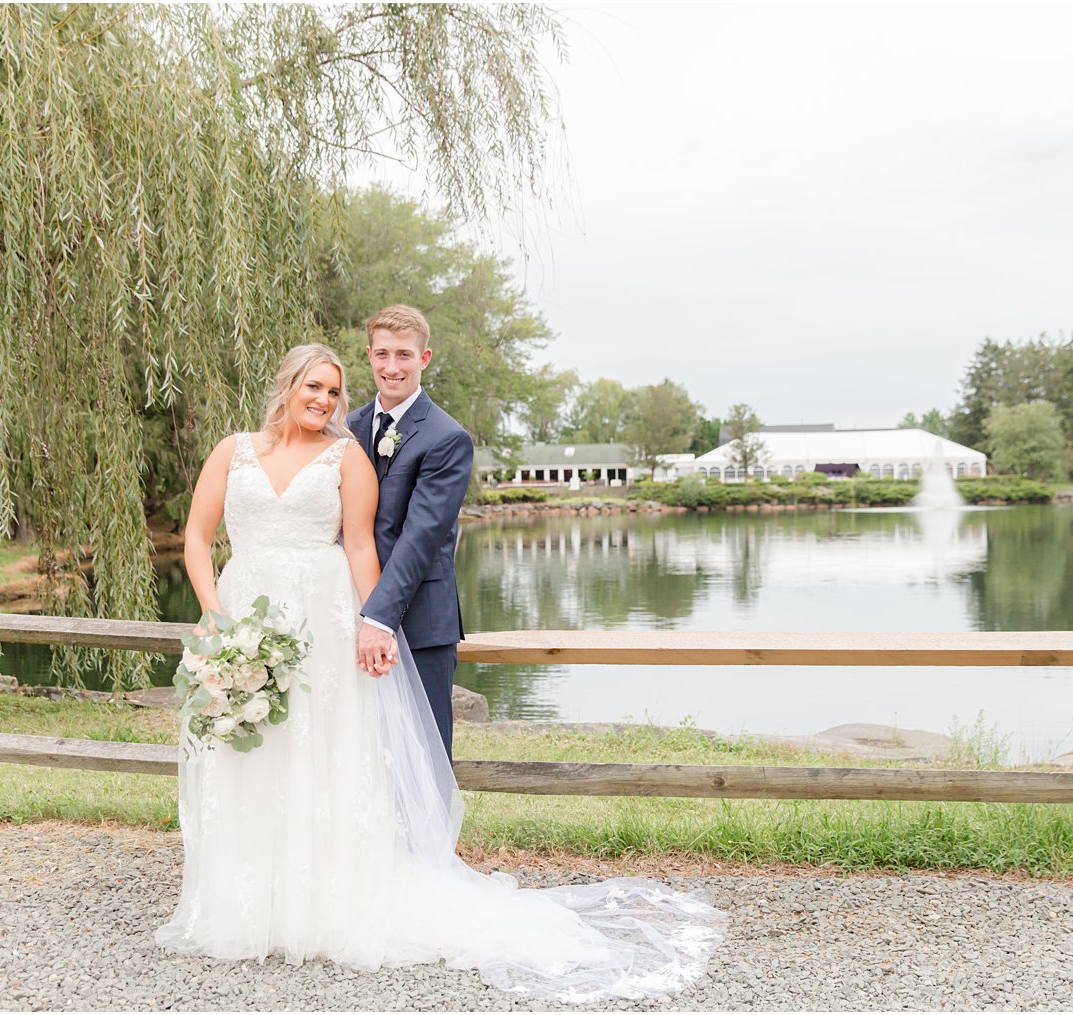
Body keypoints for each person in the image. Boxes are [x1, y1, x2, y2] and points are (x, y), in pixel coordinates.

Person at [154, 340, 725, 1003]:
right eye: (313, 386)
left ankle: (323, 906)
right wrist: (215, 617)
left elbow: (363, 545)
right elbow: (198, 537)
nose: (324, 400)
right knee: (254, 755)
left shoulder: (347, 458)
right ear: (286, 386)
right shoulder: (233, 451)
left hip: (324, 616)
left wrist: (373, 627)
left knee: (325, 754)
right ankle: (253, 905)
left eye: (335, 392)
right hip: (244, 611)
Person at [345, 304, 469, 760]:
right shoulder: (347, 427)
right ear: (369, 355)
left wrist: (377, 619)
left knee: (424, 752)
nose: (391, 367)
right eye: (382, 354)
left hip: (420, 619)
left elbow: (420, 538)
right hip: (349, 609)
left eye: (403, 355)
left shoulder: (446, 437)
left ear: (425, 358)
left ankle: (433, 837)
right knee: (361, 748)